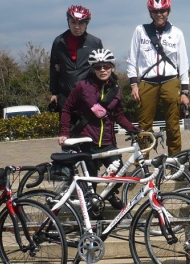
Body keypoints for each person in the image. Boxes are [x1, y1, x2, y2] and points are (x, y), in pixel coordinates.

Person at [58, 49, 138, 209]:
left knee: (119, 174)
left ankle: (108, 195)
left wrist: (134, 129)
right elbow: (66, 108)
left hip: (109, 141)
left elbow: (119, 115)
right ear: (92, 69)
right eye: (98, 67)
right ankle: (93, 216)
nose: (102, 70)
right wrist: (64, 133)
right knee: (91, 183)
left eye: (106, 66)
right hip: (88, 141)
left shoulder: (116, 89)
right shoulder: (82, 87)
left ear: (112, 67)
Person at [126, 0, 190, 156]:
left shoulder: (177, 33)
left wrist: (184, 91)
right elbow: (132, 58)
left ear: (168, 12)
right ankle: (142, 162)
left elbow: (183, 62)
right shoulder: (140, 31)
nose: (159, 14)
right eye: (155, 11)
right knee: (144, 124)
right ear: (150, 13)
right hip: (147, 81)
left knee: (173, 124)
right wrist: (133, 83)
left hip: (170, 80)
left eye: (163, 11)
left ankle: (175, 161)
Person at [49, 5, 104, 110]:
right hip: (65, 96)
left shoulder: (95, 43)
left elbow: (102, 69)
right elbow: (54, 67)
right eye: (73, 22)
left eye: (81, 23)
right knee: (65, 126)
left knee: (89, 126)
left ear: (87, 24)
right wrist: (54, 92)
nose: (77, 27)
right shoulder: (59, 42)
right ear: (68, 21)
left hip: (88, 96)